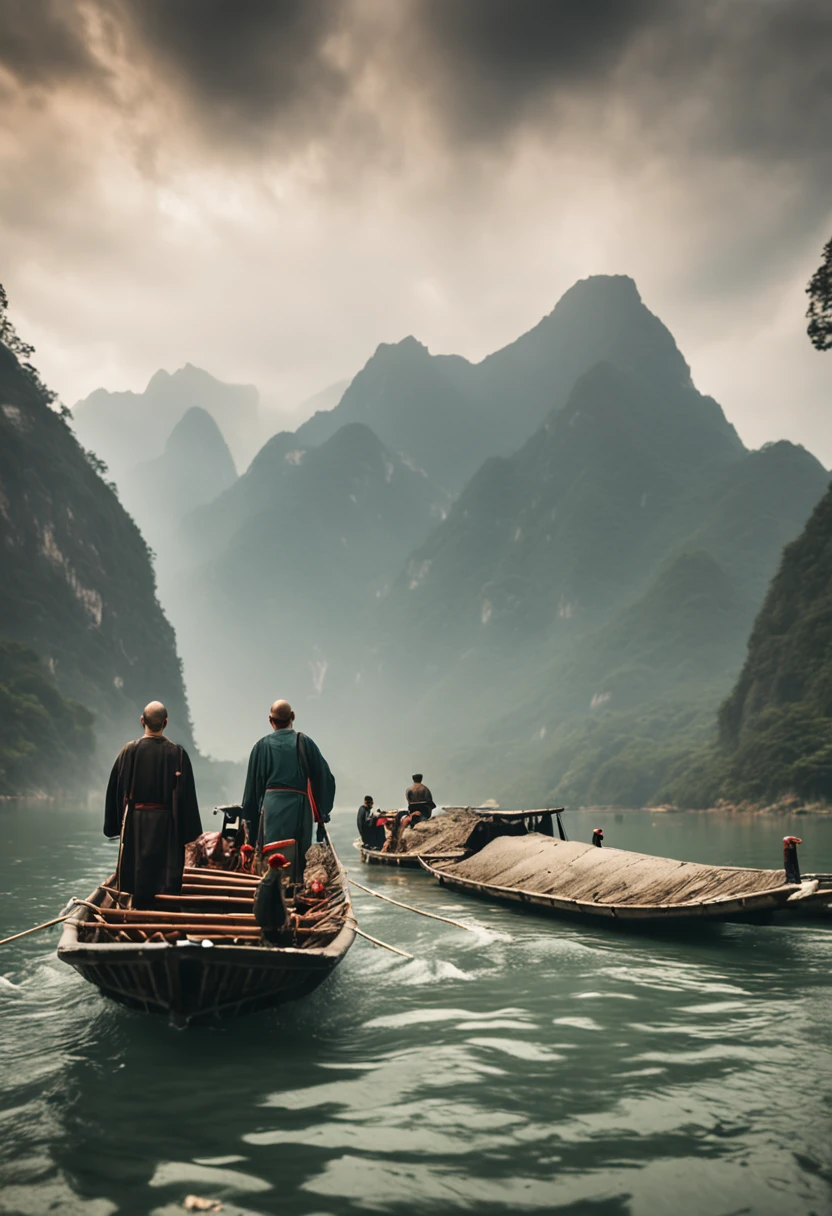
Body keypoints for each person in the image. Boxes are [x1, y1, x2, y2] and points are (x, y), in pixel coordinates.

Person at [104, 701, 202, 909]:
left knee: (139, 875)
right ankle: (165, 908)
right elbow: (187, 798)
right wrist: (188, 833)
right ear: (165, 723)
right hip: (168, 823)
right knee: (165, 875)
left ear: (142, 721)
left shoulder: (129, 751)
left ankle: (138, 907)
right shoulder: (179, 754)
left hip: (137, 823)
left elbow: (115, 790)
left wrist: (115, 826)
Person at [241, 700, 335, 878]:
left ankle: (271, 887)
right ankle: (298, 889)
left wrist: (251, 835)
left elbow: (252, 792)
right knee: (300, 855)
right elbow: (325, 778)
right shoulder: (305, 742)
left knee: (272, 853)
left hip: (271, 809)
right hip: (300, 806)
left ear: (270, 720)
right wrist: (322, 813)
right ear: (293, 716)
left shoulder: (260, 747)